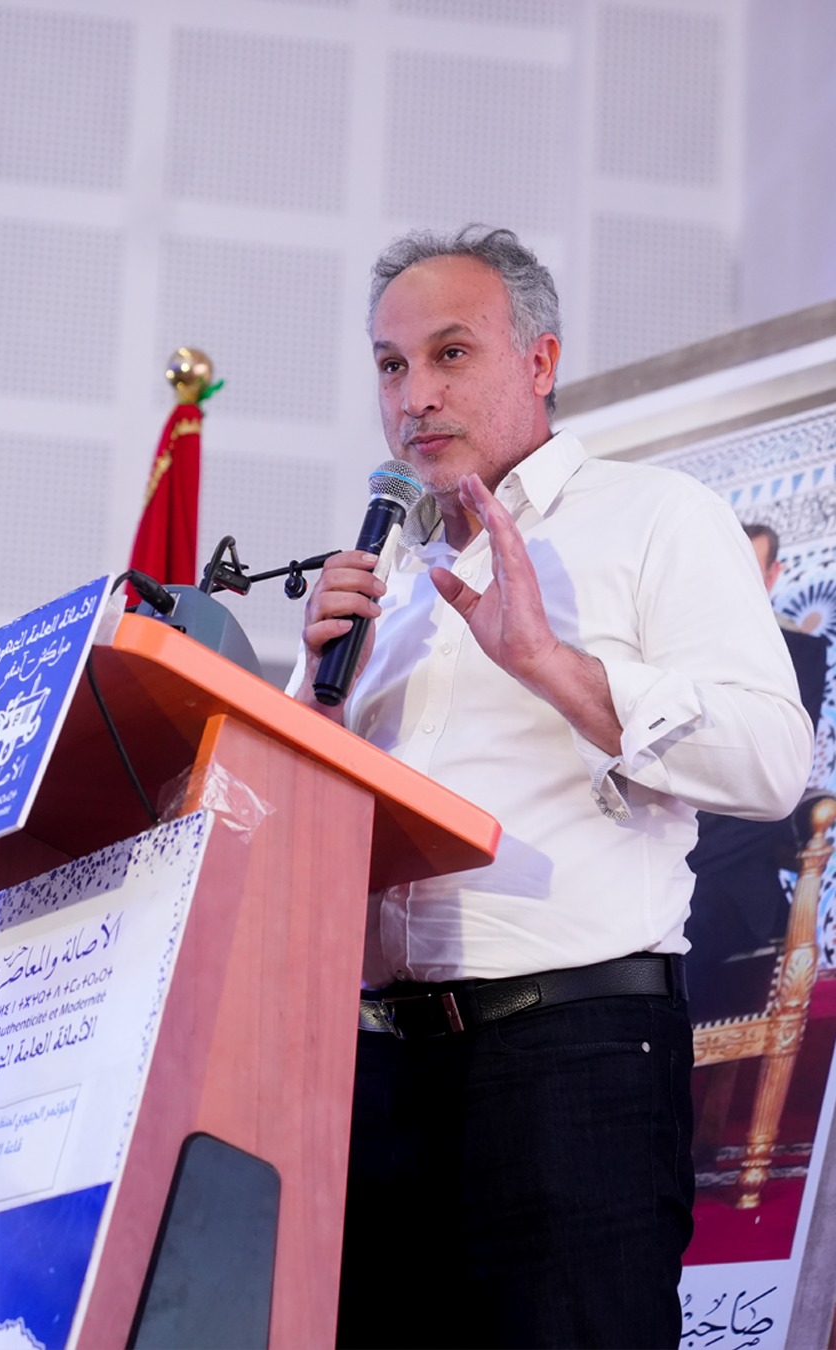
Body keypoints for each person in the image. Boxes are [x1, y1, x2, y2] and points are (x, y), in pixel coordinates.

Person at [287, 225, 814, 1349]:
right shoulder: (378, 586)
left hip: (573, 1060)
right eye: (391, 365)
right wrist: (310, 706)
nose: (416, 396)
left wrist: (549, 664)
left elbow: (775, 761)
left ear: (540, 361)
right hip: (373, 1074)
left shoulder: (656, 517)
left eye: (450, 353)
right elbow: (295, 834)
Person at [684, 522, 829, 1023]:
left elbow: (774, 771)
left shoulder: (800, 654)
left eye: (746, 566)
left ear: (772, 575)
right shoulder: (675, 648)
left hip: (729, 876)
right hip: (651, 863)